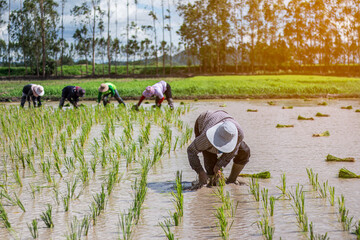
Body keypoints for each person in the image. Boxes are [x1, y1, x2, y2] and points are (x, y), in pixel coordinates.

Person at [187, 110, 251, 189]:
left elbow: (232, 152)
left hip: (222, 122)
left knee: (244, 151)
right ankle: (207, 177)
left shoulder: (238, 134)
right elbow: (191, 150)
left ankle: (232, 180)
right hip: (204, 120)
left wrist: (219, 165)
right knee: (211, 169)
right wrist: (200, 172)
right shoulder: (206, 137)